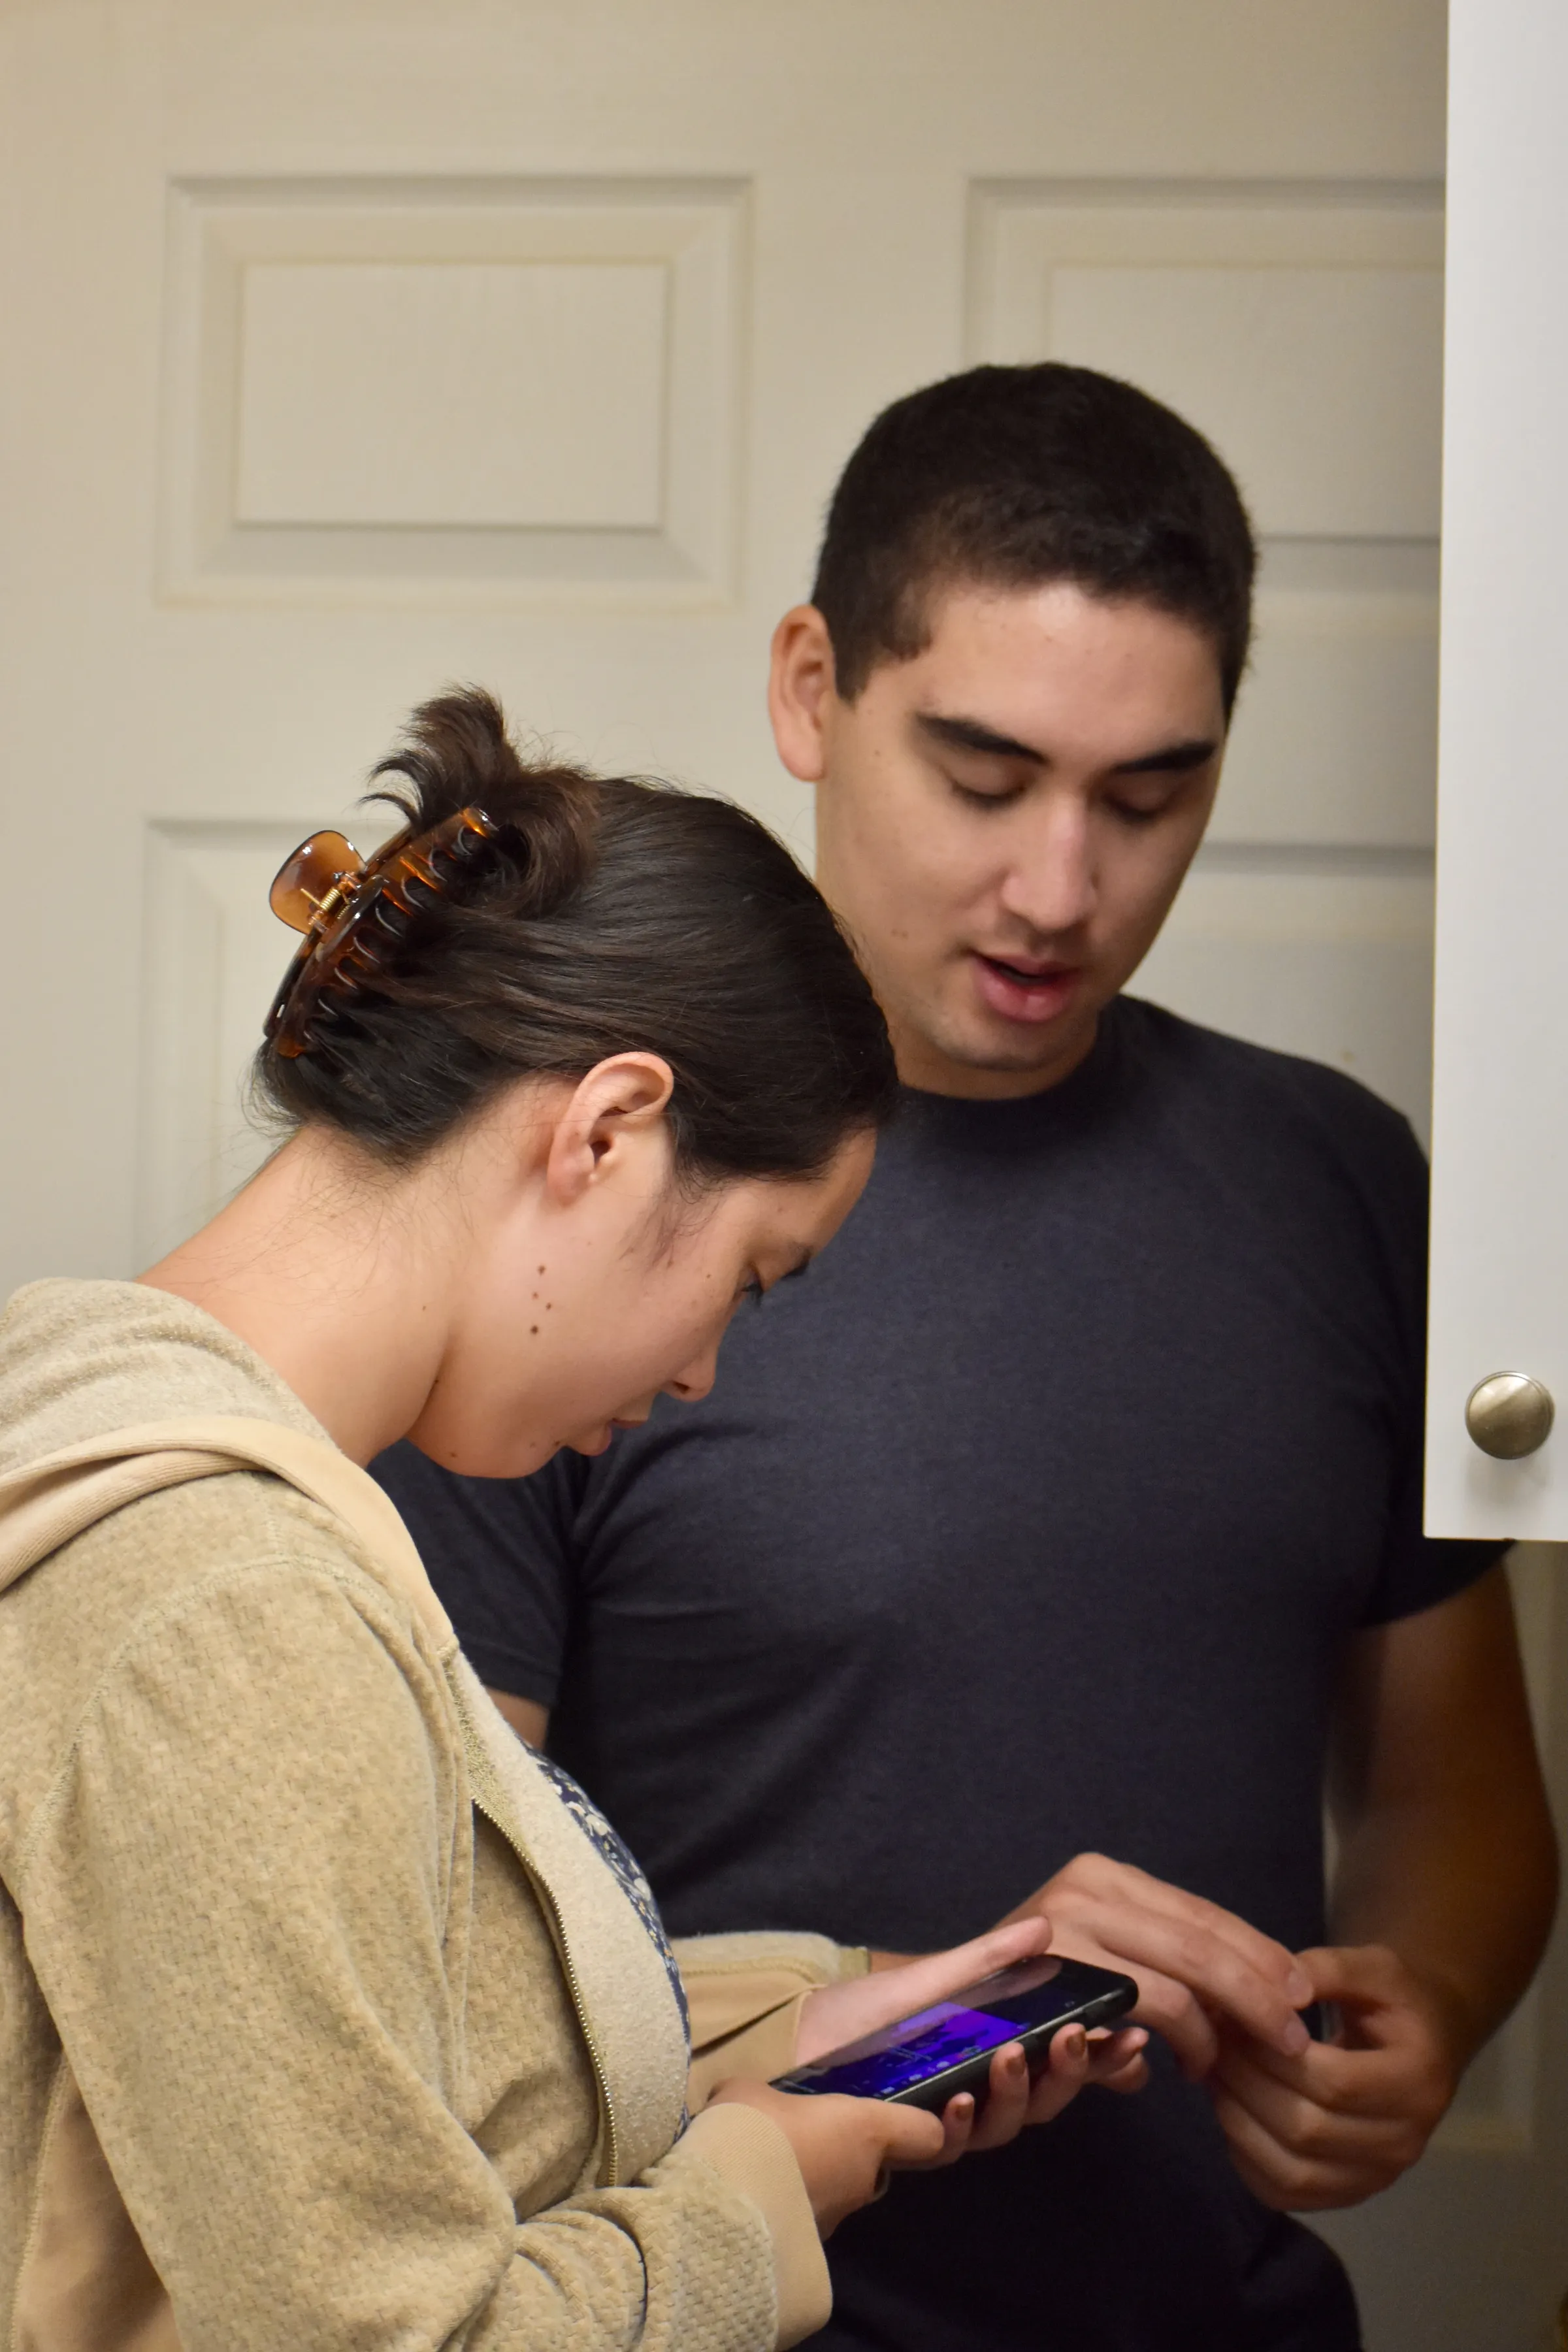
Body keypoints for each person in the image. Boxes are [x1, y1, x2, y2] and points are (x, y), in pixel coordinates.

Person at [374, 370, 1560, 2352]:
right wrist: (939, 2022)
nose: (1061, 890)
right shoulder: (570, 1206)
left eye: (1149, 796)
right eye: (986, 778)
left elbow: (1462, 1791)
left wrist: (1422, 1999)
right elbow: (440, 1973)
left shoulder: (1343, 1180)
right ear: (812, 690)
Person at [0, 689, 1144, 2352]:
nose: (701, 1373)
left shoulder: (112, 1438)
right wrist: (755, 2195)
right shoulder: (231, 1605)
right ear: (607, 1130)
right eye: (750, 1278)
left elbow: (334, 2074)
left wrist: (805, 2019)